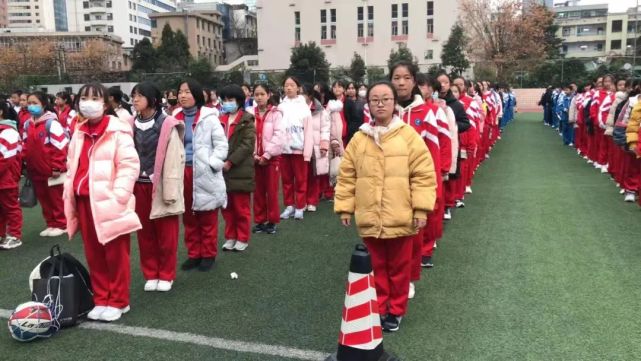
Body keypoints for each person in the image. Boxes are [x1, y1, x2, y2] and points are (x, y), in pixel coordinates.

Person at [334, 81, 436, 332]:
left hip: (401, 216)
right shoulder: (359, 139)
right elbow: (347, 176)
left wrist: (421, 209)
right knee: (375, 267)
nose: (380, 104)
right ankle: (379, 308)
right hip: (370, 216)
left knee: (399, 269)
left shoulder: (408, 135)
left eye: (386, 99)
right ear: (368, 104)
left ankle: (397, 310)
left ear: (394, 103)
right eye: (375, 100)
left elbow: (423, 175)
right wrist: (345, 207)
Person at [64, 83, 141, 322]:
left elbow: (129, 165)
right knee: (94, 254)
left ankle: (118, 300)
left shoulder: (118, 130)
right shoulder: (79, 131)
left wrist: (118, 195)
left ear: (105, 103)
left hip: (109, 201)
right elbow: (71, 166)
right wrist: (70, 193)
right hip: (85, 201)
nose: (88, 102)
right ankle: (101, 298)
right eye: (84, 98)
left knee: (115, 254)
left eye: (95, 98)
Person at [130, 82, 185, 292]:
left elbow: (174, 158)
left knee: (166, 233)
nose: (135, 99)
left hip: (161, 184)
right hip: (139, 185)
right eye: (133, 95)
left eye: (139, 96)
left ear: (152, 99)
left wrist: (170, 187)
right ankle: (151, 272)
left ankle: (167, 273)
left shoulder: (168, 123)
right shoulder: (130, 123)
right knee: (145, 233)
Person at [174, 80, 228, 272]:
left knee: (207, 215)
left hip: (204, 172)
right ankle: (194, 254)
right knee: (188, 216)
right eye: (180, 92)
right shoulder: (174, 117)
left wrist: (213, 164)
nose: (182, 95)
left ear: (196, 95)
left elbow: (222, 145)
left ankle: (208, 254)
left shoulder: (210, 117)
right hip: (182, 172)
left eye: (187, 92)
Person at [22, 91, 68, 237]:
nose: (31, 106)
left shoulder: (51, 123)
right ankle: (51, 223)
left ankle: (62, 224)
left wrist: (57, 167)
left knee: (56, 198)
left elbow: (60, 147)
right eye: (29, 103)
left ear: (43, 104)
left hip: (51, 170)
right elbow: (25, 145)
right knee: (44, 198)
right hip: (35, 170)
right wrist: (25, 163)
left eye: (35, 103)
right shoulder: (27, 124)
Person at [219, 85, 256, 252]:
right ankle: (230, 236)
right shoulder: (220, 119)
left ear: (239, 101)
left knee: (241, 207)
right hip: (221, 169)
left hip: (239, 169)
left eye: (231, 100)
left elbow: (247, 145)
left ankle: (242, 237)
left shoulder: (247, 120)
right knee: (226, 208)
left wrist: (230, 162)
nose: (227, 103)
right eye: (225, 100)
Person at [279, 76, 313, 220]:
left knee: (300, 179)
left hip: (299, 149)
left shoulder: (304, 106)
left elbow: (309, 131)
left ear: (298, 88)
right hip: (283, 150)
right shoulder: (280, 107)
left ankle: (300, 206)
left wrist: (307, 152)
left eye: (292, 85)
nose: (289, 88)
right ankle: (289, 205)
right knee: (286, 180)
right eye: (286, 85)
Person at [252, 83, 284, 235]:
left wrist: (267, 155)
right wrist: (253, 155)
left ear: (268, 95)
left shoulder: (276, 113)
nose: (259, 97)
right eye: (256, 94)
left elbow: (279, 136)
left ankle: (272, 221)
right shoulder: (250, 113)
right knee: (257, 192)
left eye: (262, 94)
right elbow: (248, 136)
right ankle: (259, 221)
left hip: (272, 159)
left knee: (271, 191)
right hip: (255, 160)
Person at [301, 84, 330, 211]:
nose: (300, 96)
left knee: (313, 175)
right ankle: (302, 201)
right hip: (299, 146)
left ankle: (312, 201)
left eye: (302, 93)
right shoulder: (295, 109)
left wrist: (324, 145)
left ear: (309, 95)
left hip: (314, 146)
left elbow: (325, 129)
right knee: (301, 176)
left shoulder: (319, 110)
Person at [0, 101, 22, 249]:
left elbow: (4, 158)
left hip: (6, 179)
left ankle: (15, 235)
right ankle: (2, 234)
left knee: (11, 207)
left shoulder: (8, 131)